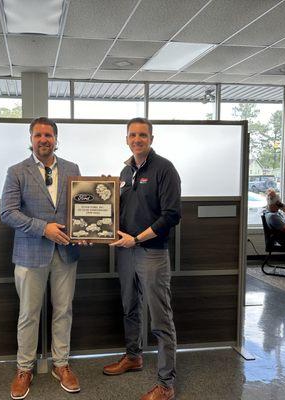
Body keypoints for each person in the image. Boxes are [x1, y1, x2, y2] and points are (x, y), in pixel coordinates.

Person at [0, 117, 81, 399]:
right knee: (28, 314)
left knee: (63, 311)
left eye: (49, 135)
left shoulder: (72, 169)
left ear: (56, 139)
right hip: (30, 253)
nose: (44, 139)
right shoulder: (17, 171)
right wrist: (43, 228)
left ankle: (61, 364)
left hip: (66, 252)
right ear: (31, 139)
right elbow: (8, 212)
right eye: (38, 135)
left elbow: (79, 207)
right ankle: (24, 368)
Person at [104, 117, 181, 400]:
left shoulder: (165, 169)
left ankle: (165, 384)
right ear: (126, 139)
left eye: (143, 135)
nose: (137, 139)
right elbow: (120, 212)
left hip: (152, 252)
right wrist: (104, 194)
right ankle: (133, 356)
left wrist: (137, 239)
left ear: (151, 138)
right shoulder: (126, 172)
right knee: (130, 306)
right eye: (132, 135)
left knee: (161, 319)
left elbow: (171, 215)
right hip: (126, 250)